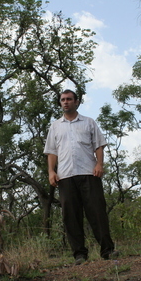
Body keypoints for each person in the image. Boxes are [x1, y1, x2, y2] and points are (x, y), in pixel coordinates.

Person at [44, 89, 118, 264]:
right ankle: (79, 254)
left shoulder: (89, 123)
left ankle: (107, 250)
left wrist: (100, 164)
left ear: (76, 102)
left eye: (69, 99)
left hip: (88, 173)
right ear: (60, 102)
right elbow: (52, 152)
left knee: (97, 212)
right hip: (65, 176)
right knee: (71, 215)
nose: (66, 102)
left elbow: (98, 145)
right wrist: (51, 172)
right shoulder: (55, 126)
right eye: (63, 99)